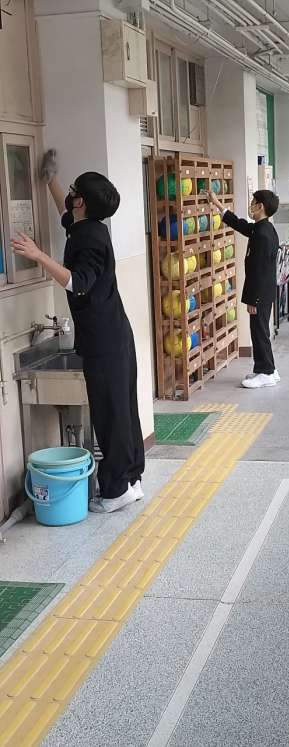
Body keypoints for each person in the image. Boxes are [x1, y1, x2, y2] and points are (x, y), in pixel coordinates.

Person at [11, 150, 145, 514]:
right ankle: (131, 480)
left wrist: (39, 256)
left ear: (82, 201)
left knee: (110, 414)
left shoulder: (89, 239)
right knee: (123, 410)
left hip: (104, 340)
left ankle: (116, 490)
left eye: (72, 190)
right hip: (114, 333)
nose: (69, 194)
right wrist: (50, 179)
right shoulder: (88, 227)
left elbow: (78, 283)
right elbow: (65, 215)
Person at [207, 189, 280, 389]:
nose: (251, 204)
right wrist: (217, 204)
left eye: (253, 202)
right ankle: (268, 369)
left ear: (260, 206)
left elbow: (259, 272)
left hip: (260, 293)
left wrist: (252, 299)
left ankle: (266, 372)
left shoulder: (262, 235)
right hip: (264, 292)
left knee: (259, 332)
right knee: (261, 331)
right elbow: (241, 225)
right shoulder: (263, 228)